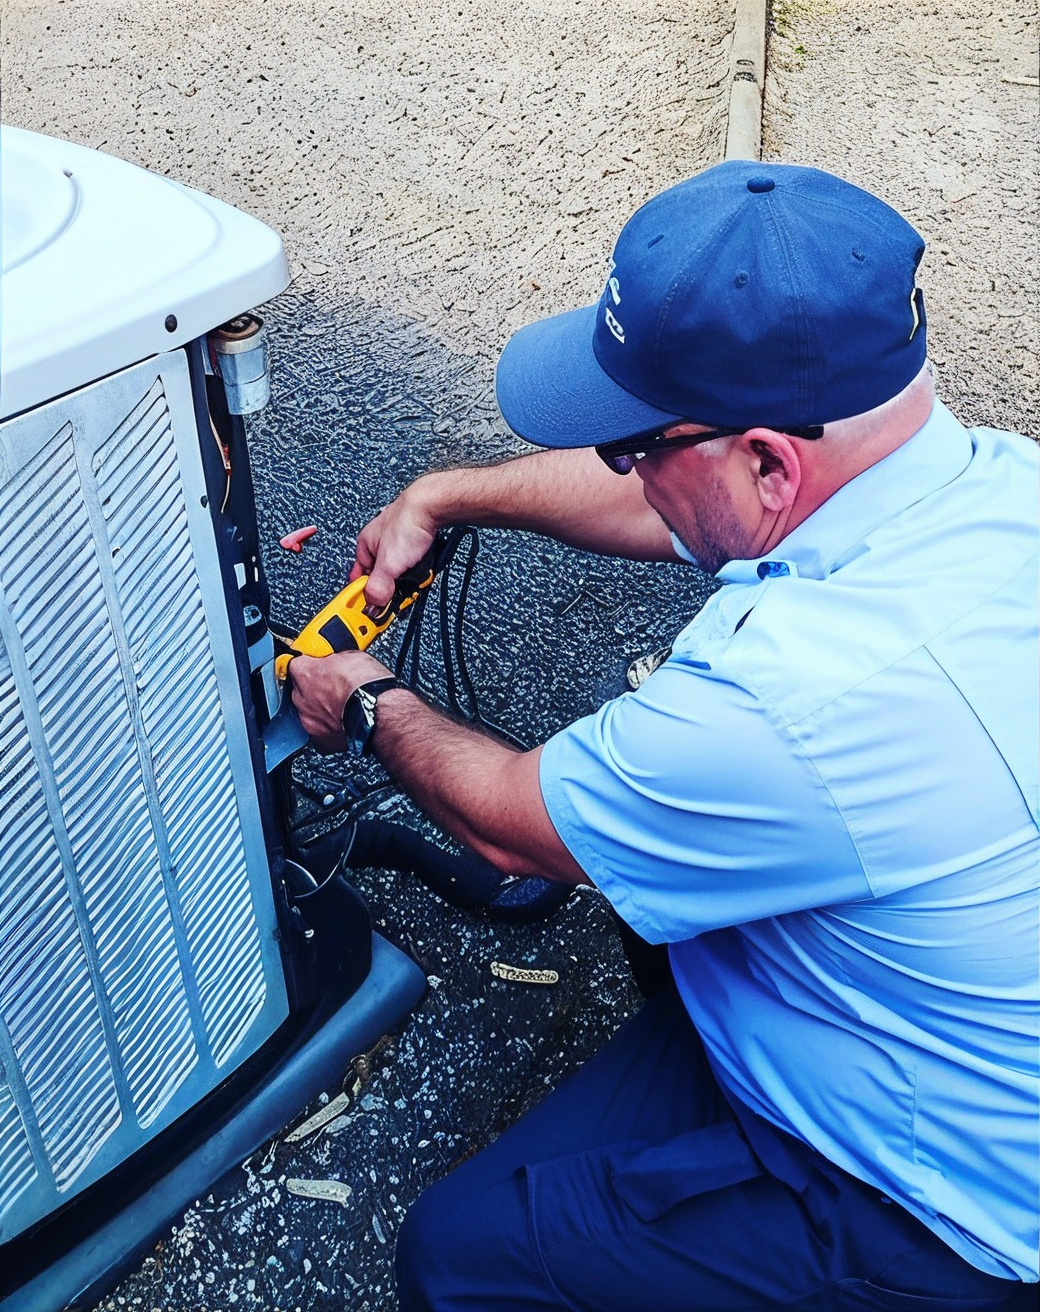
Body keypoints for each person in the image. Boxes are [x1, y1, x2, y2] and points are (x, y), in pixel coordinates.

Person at [290, 161, 1039, 1310]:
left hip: (938, 1203)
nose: (620, 466)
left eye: (633, 442)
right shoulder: (984, 484)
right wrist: (444, 494)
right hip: (943, 1023)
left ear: (765, 461)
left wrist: (370, 700)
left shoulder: (791, 704)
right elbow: (678, 502)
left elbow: (512, 829)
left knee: (457, 1260)